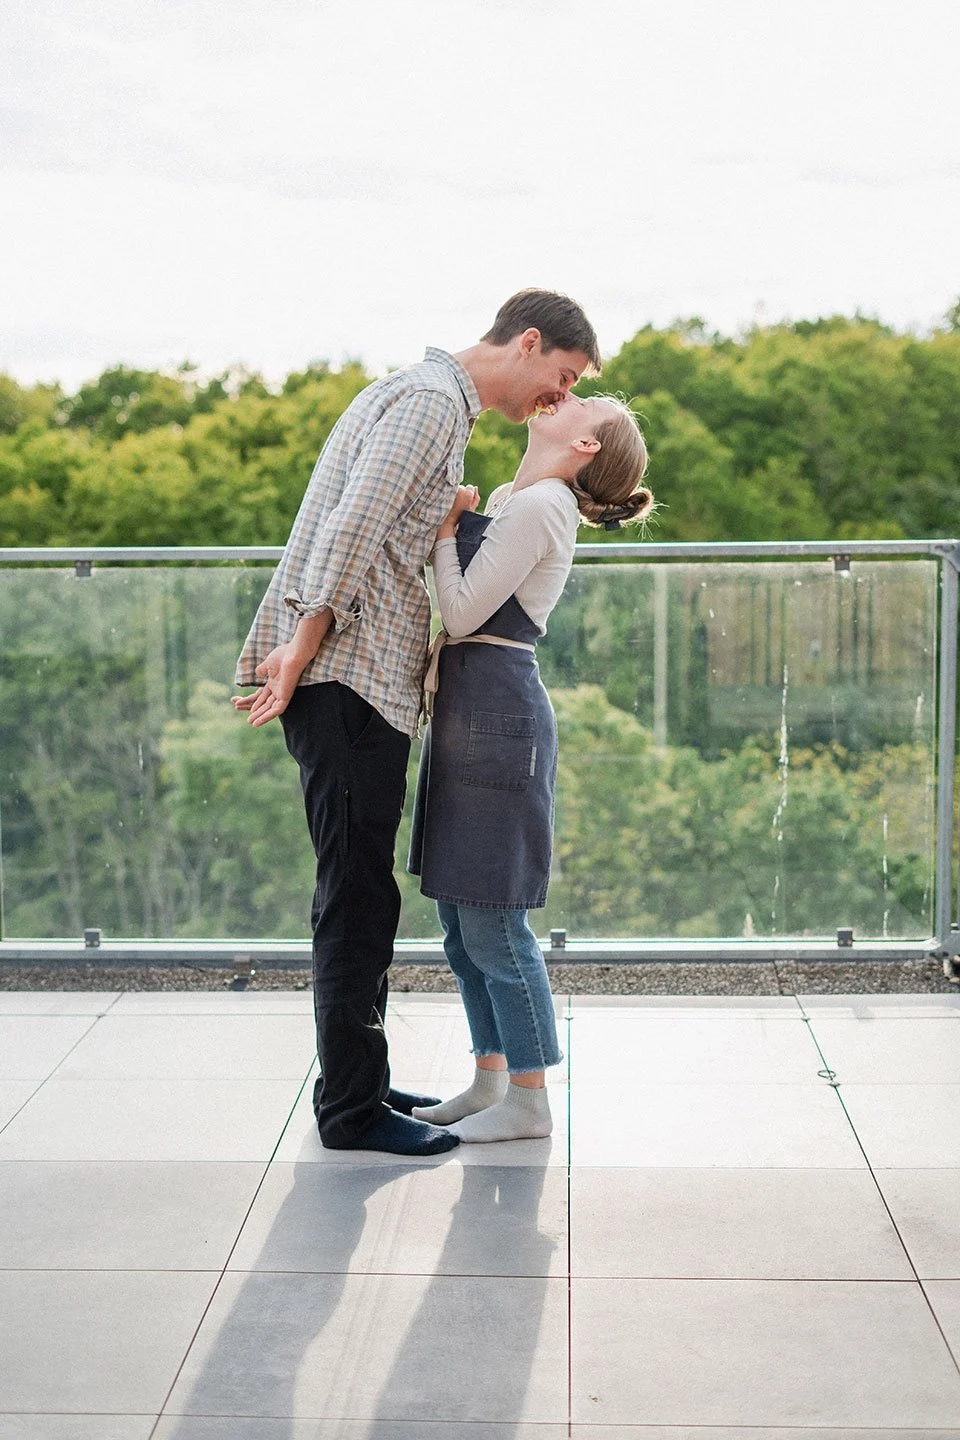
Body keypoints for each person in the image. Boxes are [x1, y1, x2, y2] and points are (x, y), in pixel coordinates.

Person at [231, 290, 601, 1156]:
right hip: (351, 676)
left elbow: (370, 524)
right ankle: (352, 1112)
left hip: (359, 678)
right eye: (564, 375)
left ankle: (357, 1081)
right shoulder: (435, 404)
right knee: (357, 900)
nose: (558, 394)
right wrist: (301, 642)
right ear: (531, 342)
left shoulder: (426, 401)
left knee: (364, 893)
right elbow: (351, 525)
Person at [408, 392, 652, 1142]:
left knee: (496, 922)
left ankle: (529, 1099)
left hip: (496, 715)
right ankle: (488, 1083)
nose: (565, 396)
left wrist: (448, 532)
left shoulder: (543, 505)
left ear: (585, 447)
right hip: (472, 712)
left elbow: (460, 613)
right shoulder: (522, 496)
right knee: (459, 918)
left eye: (586, 401)